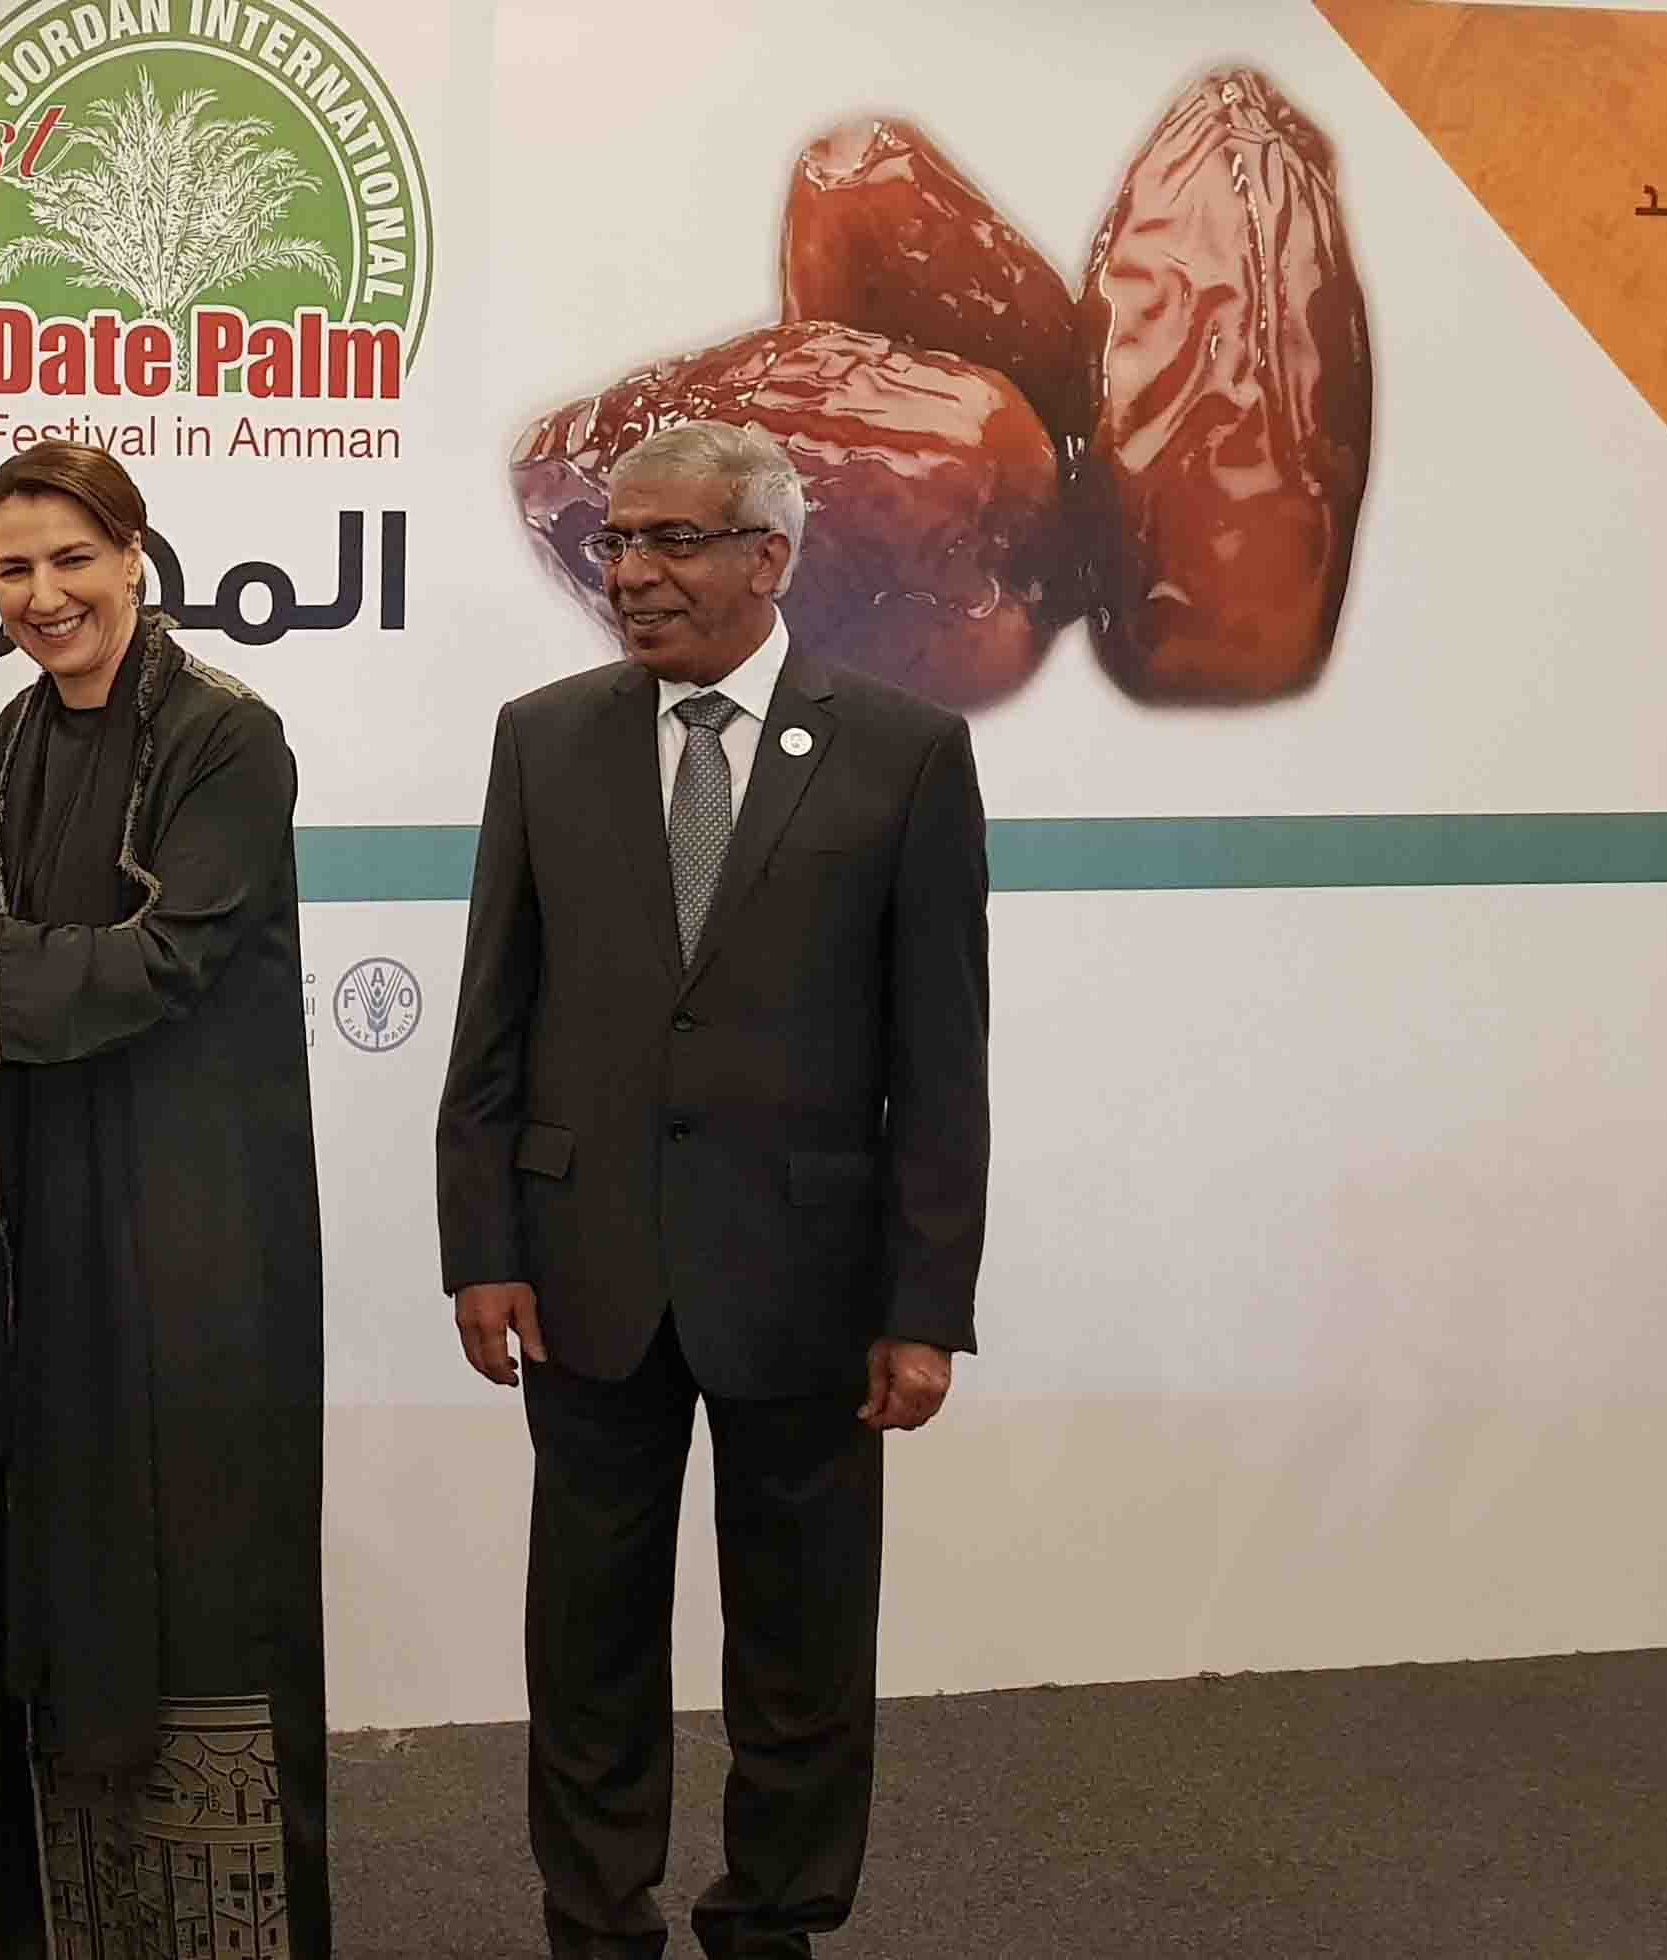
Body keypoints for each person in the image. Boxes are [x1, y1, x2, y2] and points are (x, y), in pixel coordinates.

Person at [432, 420, 989, 1959]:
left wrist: (924, 1302)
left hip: (811, 1281)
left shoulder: (904, 753)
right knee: (587, 1639)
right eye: (617, 541)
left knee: (803, 1643)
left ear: (770, 557)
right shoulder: (544, 739)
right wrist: (480, 1244)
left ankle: (774, 1923)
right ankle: (595, 1921)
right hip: (582, 1266)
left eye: (672, 541)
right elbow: (494, 1015)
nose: (633, 573)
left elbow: (942, 1059)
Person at [0, 440, 330, 1959]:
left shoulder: (228, 738)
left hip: (188, 1227)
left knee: (188, 1550)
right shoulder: (16, 736)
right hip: (34, 1221)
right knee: (32, 1534)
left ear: (135, 556)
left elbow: (175, 957)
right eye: (12, 568)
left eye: (71, 559)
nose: (43, 595)